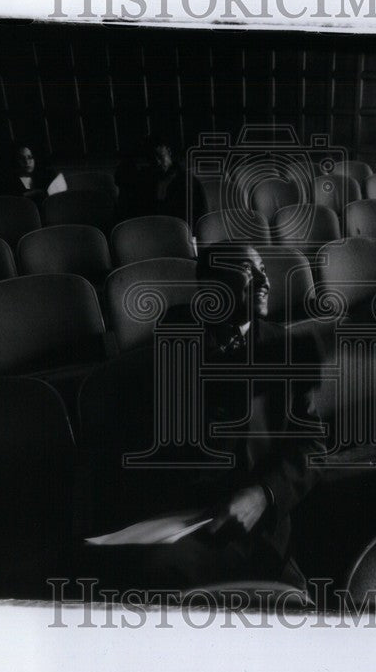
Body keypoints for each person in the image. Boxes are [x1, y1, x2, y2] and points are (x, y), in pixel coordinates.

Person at [82, 243, 325, 590]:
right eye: (247, 270)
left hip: (264, 528)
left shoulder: (282, 345)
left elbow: (313, 445)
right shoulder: (172, 346)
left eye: (263, 270)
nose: (263, 281)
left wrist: (264, 494)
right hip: (191, 527)